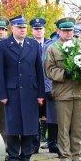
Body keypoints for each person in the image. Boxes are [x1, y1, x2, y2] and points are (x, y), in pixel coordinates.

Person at [0, 15, 45, 161]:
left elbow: (38, 70)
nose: (23, 30)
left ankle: (26, 158)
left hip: (30, 91)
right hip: (12, 92)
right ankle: (14, 158)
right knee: (13, 126)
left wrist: (40, 93)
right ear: (12, 28)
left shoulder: (33, 45)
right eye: (19, 27)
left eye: (24, 27)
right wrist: (2, 94)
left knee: (30, 126)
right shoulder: (3, 46)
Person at [45, 17, 81, 161]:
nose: (68, 33)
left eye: (70, 30)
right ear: (59, 31)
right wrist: (64, 73)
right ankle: (65, 157)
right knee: (63, 127)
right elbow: (49, 70)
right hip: (63, 92)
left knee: (77, 126)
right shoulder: (53, 48)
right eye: (65, 30)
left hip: (79, 91)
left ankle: (76, 156)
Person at [29, 17, 49, 153]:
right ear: (32, 31)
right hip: (33, 86)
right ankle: (34, 144)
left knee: (50, 115)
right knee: (33, 115)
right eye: (36, 29)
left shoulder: (51, 43)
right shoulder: (28, 44)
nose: (38, 31)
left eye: (40, 29)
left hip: (49, 84)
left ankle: (52, 142)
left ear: (44, 30)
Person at [41, 31, 60, 155]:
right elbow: (46, 69)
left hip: (70, 89)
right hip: (53, 87)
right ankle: (52, 142)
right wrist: (48, 88)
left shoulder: (76, 44)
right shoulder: (50, 46)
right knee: (53, 116)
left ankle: (63, 144)